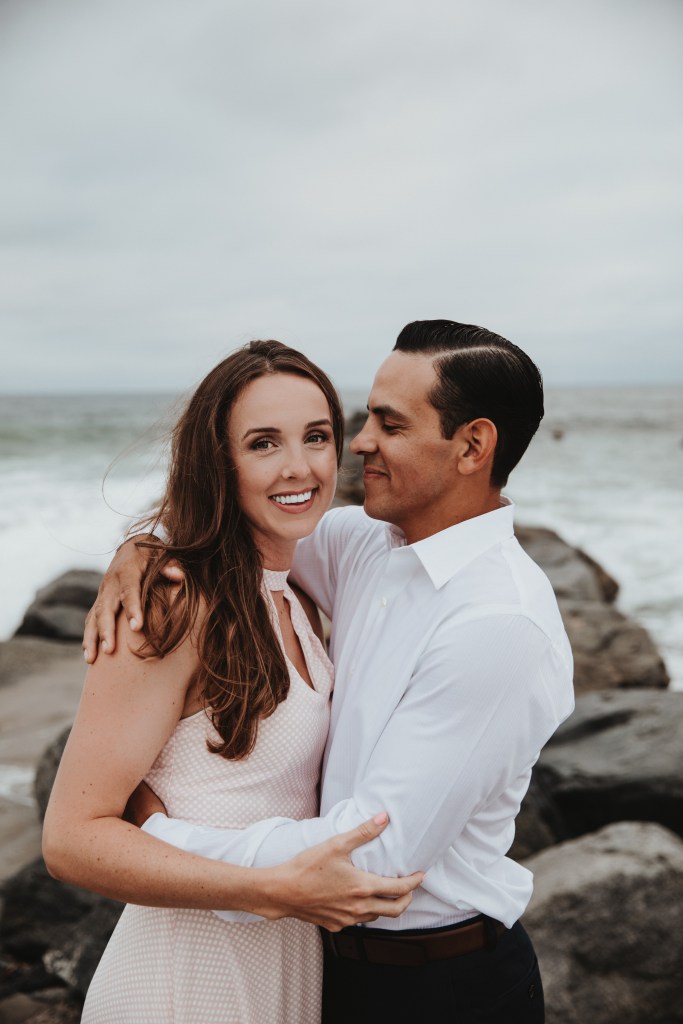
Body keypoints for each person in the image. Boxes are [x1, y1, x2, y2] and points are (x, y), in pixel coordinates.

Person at [85, 320, 575, 1024]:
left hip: (437, 986)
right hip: (321, 969)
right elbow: (236, 525)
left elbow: (370, 859)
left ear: (472, 446)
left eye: (389, 424)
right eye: (362, 418)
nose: (359, 442)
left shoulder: (497, 624)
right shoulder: (362, 543)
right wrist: (140, 550)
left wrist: (159, 840)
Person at [42, 340, 422, 1024]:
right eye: (262, 443)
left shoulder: (298, 598)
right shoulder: (173, 603)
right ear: (219, 462)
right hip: (181, 981)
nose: (298, 467)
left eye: (315, 437)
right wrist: (267, 889)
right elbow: (70, 838)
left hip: (285, 968)